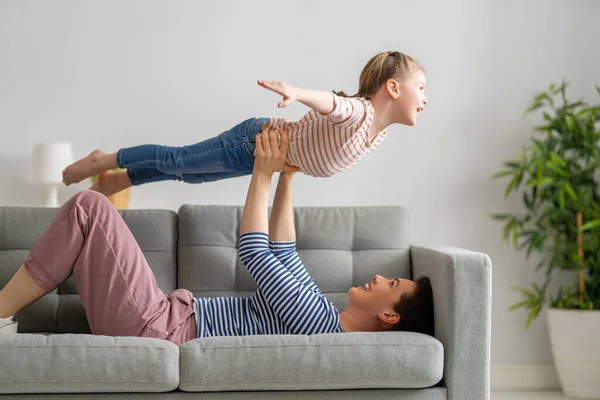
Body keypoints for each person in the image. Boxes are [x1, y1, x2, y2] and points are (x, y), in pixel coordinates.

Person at [0, 130, 434, 342]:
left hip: (157, 329)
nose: (379, 278)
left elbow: (256, 252)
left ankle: (0, 314)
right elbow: (284, 249)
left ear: (390, 317)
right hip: (161, 319)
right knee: (90, 212)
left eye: (391, 285)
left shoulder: (318, 325)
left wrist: (262, 172)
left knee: (90, 208)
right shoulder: (321, 313)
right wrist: (287, 176)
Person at [61, 51, 428, 198]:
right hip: (254, 142)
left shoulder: (375, 137)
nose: (425, 99)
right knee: (178, 160)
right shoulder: (360, 112)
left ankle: (122, 179)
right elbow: (333, 103)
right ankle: (104, 161)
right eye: (422, 89)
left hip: (262, 157)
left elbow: (319, 144)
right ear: (393, 88)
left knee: (190, 175)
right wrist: (298, 91)